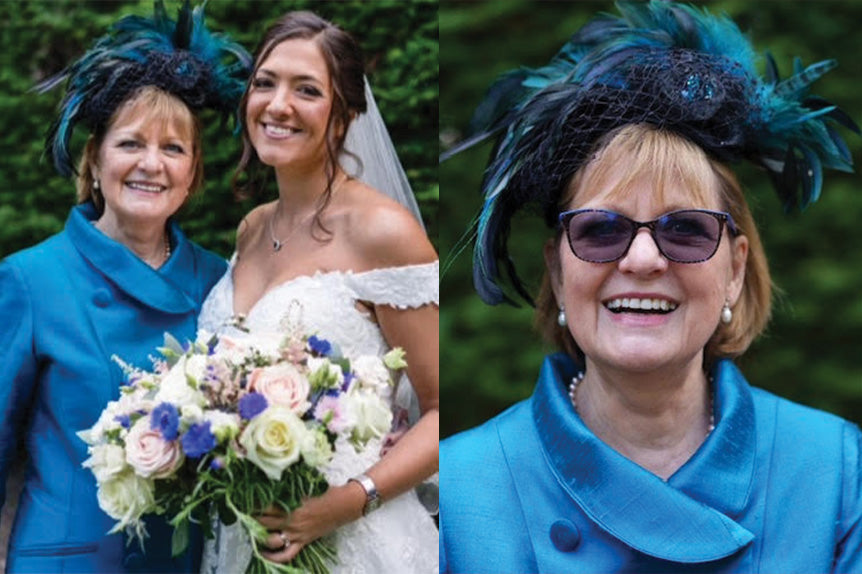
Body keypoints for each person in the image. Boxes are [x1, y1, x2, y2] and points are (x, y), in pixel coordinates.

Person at [440, 2, 862, 572]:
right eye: (601, 229)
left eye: (685, 230)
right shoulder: (459, 491)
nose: (642, 259)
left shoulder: (834, 473)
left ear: (735, 270)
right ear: (560, 273)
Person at [0, 2, 250, 572]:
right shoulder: (30, 279)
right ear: (94, 159)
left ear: (193, 176)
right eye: (131, 143)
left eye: (173, 148)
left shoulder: (221, 281)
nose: (151, 164)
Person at [197, 10, 439, 574]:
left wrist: (343, 503)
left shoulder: (383, 231)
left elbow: (441, 411)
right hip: (244, 540)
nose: (277, 105)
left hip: (354, 539)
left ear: (343, 116)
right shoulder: (252, 228)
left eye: (306, 90)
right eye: (265, 83)